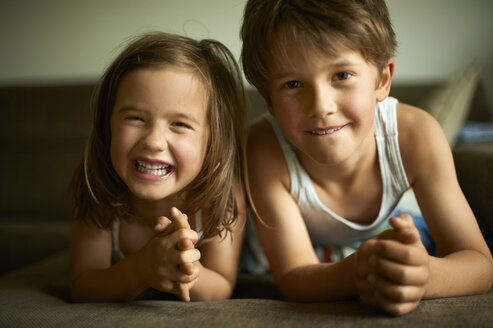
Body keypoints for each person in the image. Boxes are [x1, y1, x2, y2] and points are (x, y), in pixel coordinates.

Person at [240, 0, 493, 315]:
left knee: (410, 236)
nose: (321, 106)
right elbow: (294, 275)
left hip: (390, 222)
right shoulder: (262, 148)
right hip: (299, 240)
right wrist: (355, 272)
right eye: (293, 84)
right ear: (269, 100)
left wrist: (426, 276)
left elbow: (479, 262)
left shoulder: (416, 135)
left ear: (383, 79)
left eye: (342, 75)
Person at [69, 32, 247, 302]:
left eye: (180, 124)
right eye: (135, 118)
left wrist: (187, 269)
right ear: (108, 126)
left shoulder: (223, 196)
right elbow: (82, 286)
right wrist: (140, 270)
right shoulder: (97, 186)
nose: (153, 141)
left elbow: (221, 286)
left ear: (212, 141)